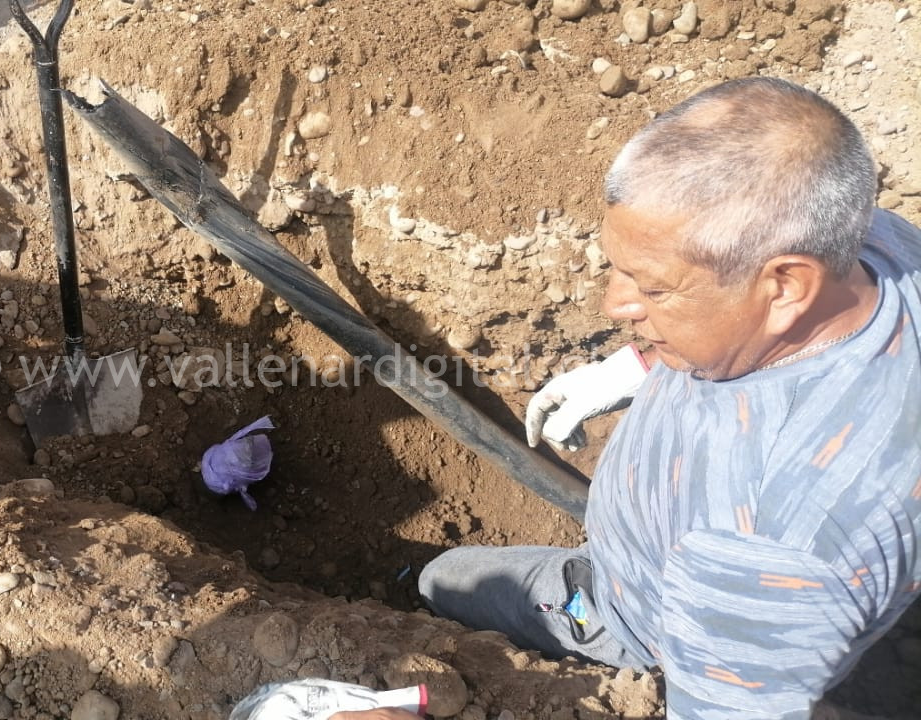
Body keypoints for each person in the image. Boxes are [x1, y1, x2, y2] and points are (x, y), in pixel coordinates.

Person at [353, 77, 921, 719]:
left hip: (630, 609)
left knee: (441, 579)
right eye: (619, 268)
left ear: (787, 285)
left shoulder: (763, 555)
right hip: (661, 558)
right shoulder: (877, 249)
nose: (613, 304)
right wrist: (641, 366)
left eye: (653, 288)